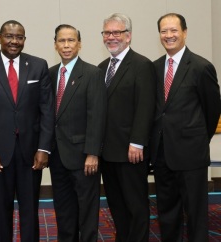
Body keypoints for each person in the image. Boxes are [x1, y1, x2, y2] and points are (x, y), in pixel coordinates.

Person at [0, 20, 54, 241]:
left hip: (32, 152)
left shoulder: (39, 65)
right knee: (0, 210)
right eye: (9, 36)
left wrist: (43, 148)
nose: (14, 41)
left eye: (19, 37)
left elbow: (47, 110)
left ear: (24, 40)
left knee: (30, 209)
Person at [151, 13, 221, 241]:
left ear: (184, 32)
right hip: (162, 155)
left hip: (191, 156)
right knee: (167, 214)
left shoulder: (201, 67)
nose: (169, 35)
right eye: (164, 31)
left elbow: (212, 112)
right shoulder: (154, 68)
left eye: (174, 30)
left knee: (196, 215)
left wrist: (198, 139)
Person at [97, 13, 156, 242]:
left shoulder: (142, 65)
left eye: (116, 33)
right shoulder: (101, 68)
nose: (111, 37)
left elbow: (146, 106)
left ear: (128, 36)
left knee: (137, 207)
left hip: (132, 152)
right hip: (107, 152)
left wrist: (137, 142)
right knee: (116, 206)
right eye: (107, 33)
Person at [48, 24, 106, 242]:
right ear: (55, 45)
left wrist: (93, 153)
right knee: (63, 211)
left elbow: (97, 116)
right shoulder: (50, 74)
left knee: (87, 212)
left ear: (79, 44)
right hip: (57, 156)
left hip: (84, 157)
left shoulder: (92, 73)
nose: (66, 45)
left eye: (71, 40)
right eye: (61, 41)